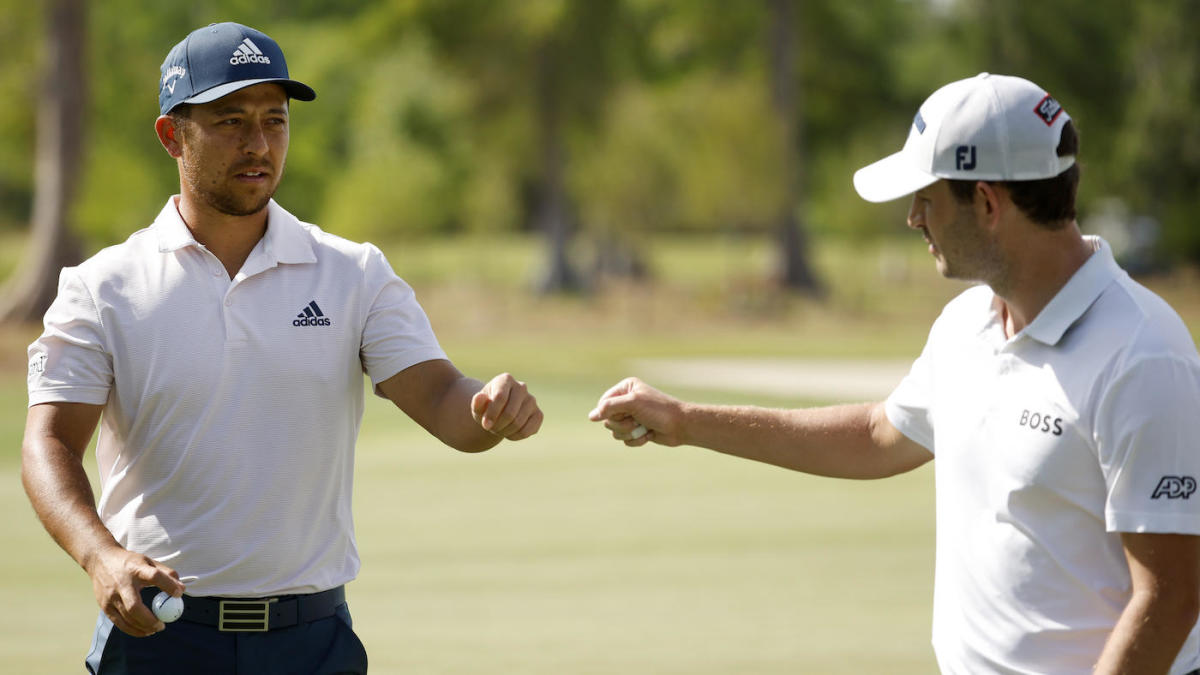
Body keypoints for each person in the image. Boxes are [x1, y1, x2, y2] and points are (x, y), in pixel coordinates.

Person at [589, 73, 1200, 674]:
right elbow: (879, 436)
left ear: (987, 203)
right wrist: (687, 422)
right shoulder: (968, 323)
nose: (913, 219)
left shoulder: (1144, 356)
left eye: (927, 199)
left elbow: (1170, 596)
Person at [22, 22, 543, 674]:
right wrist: (101, 555)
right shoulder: (103, 287)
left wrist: (486, 410)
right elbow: (49, 442)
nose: (259, 143)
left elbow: (441, 396)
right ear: (170, 135)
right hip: (159, 637)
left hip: (313, 641)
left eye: (275, 119)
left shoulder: (353, 273)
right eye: (231, 120)